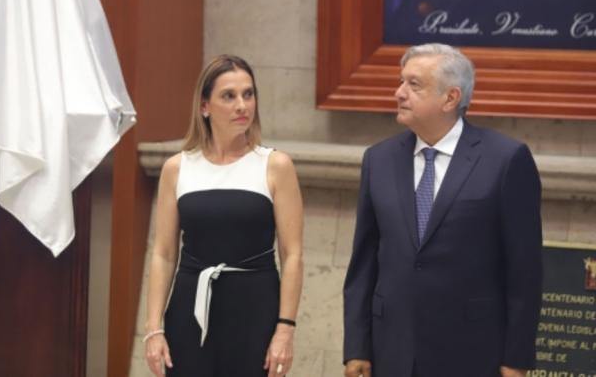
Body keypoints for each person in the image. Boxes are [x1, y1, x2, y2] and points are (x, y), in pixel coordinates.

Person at [343, 43, 542, 377]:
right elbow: (363, 264)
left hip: (471, 353)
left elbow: (525, 272)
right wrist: (356, 348)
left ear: (450, 98)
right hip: (390, 350)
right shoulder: (378, 159)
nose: (399, 93)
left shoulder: (505, 160)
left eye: (413, 85)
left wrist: (516, 359)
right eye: (401, 81)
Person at [143, 55, 304, 377]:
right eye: (229, 96)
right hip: (189, 308)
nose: (242, 105)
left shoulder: (275, 165)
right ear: (205, 106)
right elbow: (163, 253)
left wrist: (285, 328)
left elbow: (293, 254)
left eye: (248, 94)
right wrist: (153, 328)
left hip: (255, 307)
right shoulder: (178, 168)